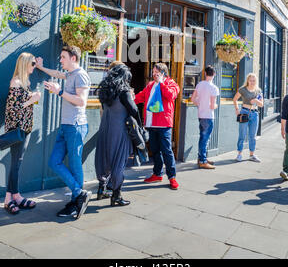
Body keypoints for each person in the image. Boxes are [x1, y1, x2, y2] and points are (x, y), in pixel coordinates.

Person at [36, 45, 92, 219]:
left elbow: (81, 101)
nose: (60, 60)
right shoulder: (70, 74)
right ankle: (79, 193)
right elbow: (56, 73)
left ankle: (76, 203)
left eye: (63, 57)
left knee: (75, 166)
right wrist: (40, 67)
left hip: (75, 126)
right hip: (65, 126)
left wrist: (59, 91)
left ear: (73, 58)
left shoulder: (81, 75)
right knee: (54, 162)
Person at [95, 63, 141, 206]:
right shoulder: (124, 91)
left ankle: (101, 189)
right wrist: (140, 126)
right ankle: (116, 196)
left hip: (105, 129)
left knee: (104, 158)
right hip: (119, 130)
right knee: (118, 162)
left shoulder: (106, 90)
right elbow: (134, 110)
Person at [3, 53, 41, 215]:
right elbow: (12, 109)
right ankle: (9, 199)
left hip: (25, 128)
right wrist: (31, 100)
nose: (34, 66)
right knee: (16, 164)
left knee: (17, 163)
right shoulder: (16, 82)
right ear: (25, 63)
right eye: (32, 63)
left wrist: (32, 97)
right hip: (17, 129)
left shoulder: (26, 82)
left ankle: (15, 196)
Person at [134, 63, 180, 190]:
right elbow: (141, 96)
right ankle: (157, 174)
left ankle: (172, 177)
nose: (154, 74)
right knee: (155, 150)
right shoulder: (150, 85)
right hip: (150, 123)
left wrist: (161, 83)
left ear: (164, 73)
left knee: (167, 151)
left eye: (157, 72)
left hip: (164, 123)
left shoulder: (171, 84)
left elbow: (171, 96)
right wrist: (130, 98)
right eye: (153, 72)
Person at [191, 65, 219, 169]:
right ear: (214, 74)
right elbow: (212, 106)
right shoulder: (214, 88)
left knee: (202, 138)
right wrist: (216, 105)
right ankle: (202, 161)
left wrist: (200, 104)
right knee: (205, 139)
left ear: (205, 74)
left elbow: (192, 99)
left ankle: (201, 158)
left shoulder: (200, 84)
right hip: (208, 116)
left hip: (201, 115)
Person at [233, 73, 263, 162]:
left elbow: (261, 104)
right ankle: (239, 154)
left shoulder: (258, 91)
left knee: (252, 136)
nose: (252, 82)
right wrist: (237, 110)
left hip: (254, 114)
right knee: (242, 134)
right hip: (244, 112)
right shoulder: (243, 90)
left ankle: (252, 155)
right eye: (251, 80)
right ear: (248, 81)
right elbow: (235, 99)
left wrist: (256, 101)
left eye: (254, 80)